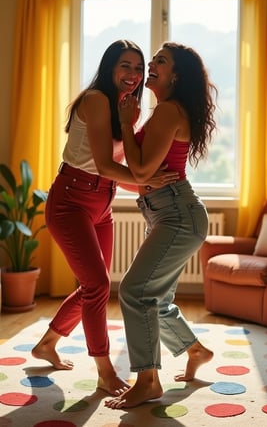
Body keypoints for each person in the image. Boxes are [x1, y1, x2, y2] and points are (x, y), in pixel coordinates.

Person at [31, 40, 178, 396]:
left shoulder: (129, 108)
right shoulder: (96, 100)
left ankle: (47, 343)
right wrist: (144, 179)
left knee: (91, 287)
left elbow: (118, 171)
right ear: (110, 67)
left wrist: (146, 186)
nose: (132, 75)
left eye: (138, 68)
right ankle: (104, 370)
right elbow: (103, 164)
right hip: (70, 202)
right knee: (97, 286)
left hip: (102, 202)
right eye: (125, 66)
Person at [105, 41, 218, 408]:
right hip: (166, 212)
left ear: (176, 75)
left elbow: (140, 171)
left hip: (176, 214)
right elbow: (137, 178)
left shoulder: (169, 111)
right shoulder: (163, 112)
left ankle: (148, 381)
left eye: (160, 61)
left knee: (135, 292)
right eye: (153, 58)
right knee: (156, 298)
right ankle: (195, 350)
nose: (151, 64)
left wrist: (125, 122)